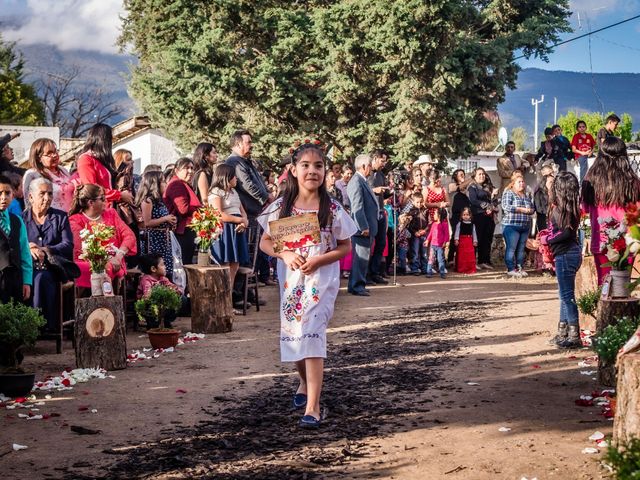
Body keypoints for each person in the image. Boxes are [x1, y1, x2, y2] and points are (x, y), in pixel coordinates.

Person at [258, 142, 356, 429]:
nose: (312, 171)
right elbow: (265, 241)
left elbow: (345, 246)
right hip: (291, 284)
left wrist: (320, 260)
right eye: (305, 165)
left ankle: (313, 406)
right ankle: (303, 380)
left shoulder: (332, 208)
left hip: (322, 281)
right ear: (293, 169)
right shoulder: (281, 207)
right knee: (296, 337)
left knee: (312, 333)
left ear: (325, 171)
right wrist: (285, 253)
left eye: (318, 166)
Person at [581, 137, 640, 284]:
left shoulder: (590, 180)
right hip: (627, 242)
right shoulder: (633, 181)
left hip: (600, 240)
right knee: (623, 287)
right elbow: (637, 213)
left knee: (605, 286)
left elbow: (585, 209)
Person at [22, 178, 73, 331]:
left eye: (50, 194)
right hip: (29, 268)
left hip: (54, 268)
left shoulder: (60, 217)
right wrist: (28, 247)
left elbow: (68, 244)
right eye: (42, 193)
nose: (47, 198)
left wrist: (45, 249)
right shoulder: (22, 220)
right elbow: (16, 245)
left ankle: (43, 326)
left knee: (41, 278)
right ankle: (28, 326)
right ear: (30, 197)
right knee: (32, 277)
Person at [69, 184, 137, 293]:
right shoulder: (75, 220)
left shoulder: (111, 213)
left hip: (116, 260)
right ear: (91, 203)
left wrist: (119, 255)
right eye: (102, 199)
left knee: (108, 267)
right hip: (88, 261)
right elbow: (81, 248)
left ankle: (108, 305)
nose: (106, 201)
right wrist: (104, 260)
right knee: (101, 268)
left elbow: (129, 236)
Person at [225, 129, 272, 287]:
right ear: (238, 144)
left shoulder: (245, 161)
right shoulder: (234, 162)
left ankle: (248, 291)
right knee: (245, 255)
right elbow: (247, 185)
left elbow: (257, 181)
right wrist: (266, 198)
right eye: (248, 142)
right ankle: (241, 292)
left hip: (254, 212)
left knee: (253, 255)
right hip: (246, 213)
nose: (251, 145)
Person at [542, 172, 582, 349]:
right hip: (569, 253)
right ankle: (563, 332)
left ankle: (574, 336)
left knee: (567, 296)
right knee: (564, 296)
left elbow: (566, 233)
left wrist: (547, 241)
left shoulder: (562, 210)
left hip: (566, 254)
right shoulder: (569, 208)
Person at [208, 163, 249, 293]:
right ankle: (223, 298)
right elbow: (218, 214)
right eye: (234, 176)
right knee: (225, 264)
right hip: (225, 230)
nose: (236, 178)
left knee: (235, 264)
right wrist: (239, 220)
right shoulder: (216, 192)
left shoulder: (234, 192)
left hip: (237, 230)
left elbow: (242, 211)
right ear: (226, 177)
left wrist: (244, 222)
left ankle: (229, 296)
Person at [77, 123, 134, 206]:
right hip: (97, 211)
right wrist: (119, 195)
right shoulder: (86, 159)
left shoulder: (101, 159)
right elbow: (91, 188)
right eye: (110, 139)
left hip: (109, 208)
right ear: (103, 140)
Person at [347, 154, 379, 296]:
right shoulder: (356, 181)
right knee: (360, 258)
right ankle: (357, 286)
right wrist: (363, 226)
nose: (371, 168)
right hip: (362, 228)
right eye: (370, 165)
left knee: (363, 258)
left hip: (367, 226)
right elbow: (357, 207)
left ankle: (357, 284)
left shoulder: (362, 180)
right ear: (364, 166)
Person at [135, 170, 177, 278]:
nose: (165, 184)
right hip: (154, 240)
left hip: (164, 238)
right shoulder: (148, 201)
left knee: (166, 269)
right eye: (163, 181)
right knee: (155, 269)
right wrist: (165, 218)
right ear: (155, 184)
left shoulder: (160, 200)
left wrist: (170, 222)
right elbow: (147, 223)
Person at [0, 174, 32, 303]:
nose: (3, 197)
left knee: (15, 316)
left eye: (7, 193)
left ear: (13, 195)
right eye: (0, 193)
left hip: (15, 279)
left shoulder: (17, 221)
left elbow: (25, 251)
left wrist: (27, 281)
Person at [163, 158, 201, 266]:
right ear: (176, 170)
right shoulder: (176, 184)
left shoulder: (183, 183)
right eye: (186, 168)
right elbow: (183, 209)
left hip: (187, 229)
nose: (190, 171)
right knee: (183, 264)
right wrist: (200, 209)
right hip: (182, 231)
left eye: (192, 168)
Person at [137, 253, 188, 329]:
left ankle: (166, 321)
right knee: (154, 305)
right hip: (150, 307)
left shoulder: (163, 279)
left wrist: (174, 291)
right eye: (162, 265)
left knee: (182, 299)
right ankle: (153, 323)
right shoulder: (146, 280)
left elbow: (176, 289)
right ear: (153, 269)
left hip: (161, 306)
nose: (165, 267)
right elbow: (147, 297)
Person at [22, 138, 73, 211]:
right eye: (49, 153)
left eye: (55, 151)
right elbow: (28, 201)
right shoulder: (32, 174)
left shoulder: (63, 170)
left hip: (70, 218)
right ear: (38, 158)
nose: (55, 155)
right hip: (48, 219)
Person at [501, 173, 534, 277]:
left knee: (521, 248)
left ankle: (520, 268)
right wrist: (522, 209)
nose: (521, 184)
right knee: (511, 248)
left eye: (522, 182)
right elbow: (506, 207)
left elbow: (532, 208)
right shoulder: (509, 193)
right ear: (513, 184)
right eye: (519, 182)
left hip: (525, 225)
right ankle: (511, 268)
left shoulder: (526, 195)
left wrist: (530, 210)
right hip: (511, 225)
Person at [367, 149, 389, 284]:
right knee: (369, 244)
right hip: (370, 212)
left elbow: (383, 193)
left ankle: (375, 272)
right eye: (382, 161)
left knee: (381, 243)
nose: (384, 164)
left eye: (385, 161)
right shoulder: (366, 173)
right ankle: (366, 274)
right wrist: (374, 190)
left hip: (381, 211)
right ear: (375, 159)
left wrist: (389, 191)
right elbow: (360, 189)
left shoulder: (381, 174)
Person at [467, 168, 496, 270]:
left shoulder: (489, 187)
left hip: (489, 216)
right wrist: (487, 206)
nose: (482, 176)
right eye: (479, 174)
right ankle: (473, 261)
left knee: (487, 239)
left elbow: (496, 200)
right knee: (477, 239)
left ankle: (484, 261)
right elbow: (473, 200)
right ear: (474, 176)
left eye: (483, 174)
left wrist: (492, 206)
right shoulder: (472, 187)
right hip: (477, 216)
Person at [447, 169, 471, 265]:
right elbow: (458, 187)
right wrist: (471, 178)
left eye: (463, 174)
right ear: (455, 177)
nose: (462, 176)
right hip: (455, 215)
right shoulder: (452, 185)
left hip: (465, 215)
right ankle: (450, 259)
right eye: (460, 175)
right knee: (454, 237)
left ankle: (461, 259)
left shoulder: (467, 188)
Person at [407, 192, 429, 275]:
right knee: (415, 252)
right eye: (417, 202)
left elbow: (429, 223)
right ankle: (415, 268)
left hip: (424, 234)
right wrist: (415, 232)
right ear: (413, 202)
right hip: (415, 235)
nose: (419, 204)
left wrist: (425, 230)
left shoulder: (425, 210)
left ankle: (424, 268)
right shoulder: (411, 211)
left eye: (420, 202)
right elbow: (409, 225)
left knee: (424, 253)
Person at [425, 207, 449, 279]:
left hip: (440, 246)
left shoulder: (444, 224)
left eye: (435, 213)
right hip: (433, 245)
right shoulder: (434, 224)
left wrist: (445, 242)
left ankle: (442, 272)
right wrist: (427, 240)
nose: (433, 215)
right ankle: (429, 272)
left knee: (440, 259)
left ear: (439, 215)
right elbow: (431, 233)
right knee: (431, 258)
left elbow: (446, 234)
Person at [454, 207, 478, 274]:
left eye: (467, 214)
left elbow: (474, 233)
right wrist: (456, 239)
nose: (465, 216)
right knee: (462, 255)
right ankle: (462, 269)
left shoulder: (472, 224)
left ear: (470, 215)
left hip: (469, 241)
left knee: (469, 255)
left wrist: (475, 241)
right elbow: (457, 232)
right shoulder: (459, 224)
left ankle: (470, 269)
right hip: (462, 241)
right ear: (461, 216)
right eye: (464, 215)